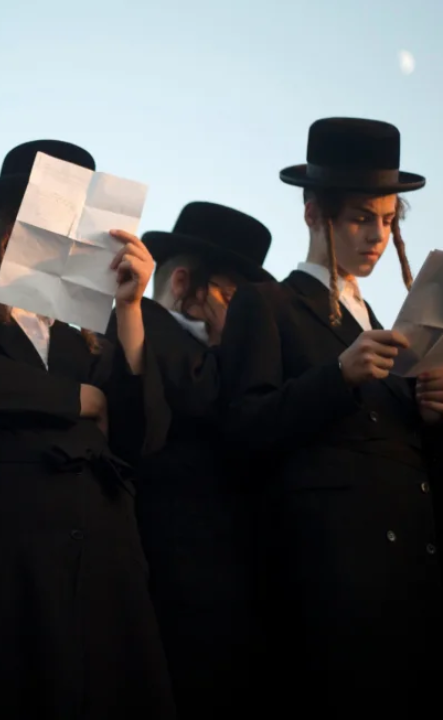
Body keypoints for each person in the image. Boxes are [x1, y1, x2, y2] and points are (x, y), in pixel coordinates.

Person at [0, 139, 176, 719]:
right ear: (8, 235)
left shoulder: (95, 339)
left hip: (101, 566)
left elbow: (143, 437)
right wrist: (77, 398)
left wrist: (129, 311)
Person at [220, 117, 443, 716]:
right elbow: (244, 430)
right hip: (332, 589)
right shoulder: (267, 303)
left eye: (387, 219)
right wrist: (337, 376)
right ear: (311, 212)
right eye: (359, 217)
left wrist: (433, 409)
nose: (376, 235)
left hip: (410, 588)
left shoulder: (383, 320)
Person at [121, 200, 272, 718]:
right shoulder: (149, 329)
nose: (245, 314)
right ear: (183, 282)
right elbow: (199, 396)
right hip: (176, 566)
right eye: (232, 297)